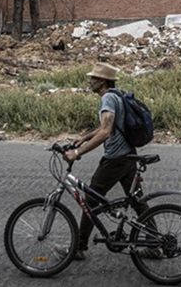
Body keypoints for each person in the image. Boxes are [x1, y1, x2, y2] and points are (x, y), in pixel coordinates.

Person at [62, 62, 153, 261]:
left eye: (93, 78)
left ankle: (79, 247)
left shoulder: (108, 99)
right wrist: (85, 137)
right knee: (138, 202)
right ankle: (155, 244)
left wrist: (77, 153)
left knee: (91, 200)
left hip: (115, 159)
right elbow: (110, 126)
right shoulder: (117, 95)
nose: (90, 81)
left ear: (102, 81)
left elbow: (105, 132)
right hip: (128, 155)